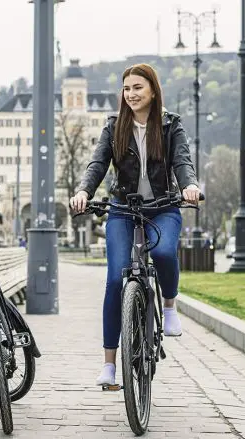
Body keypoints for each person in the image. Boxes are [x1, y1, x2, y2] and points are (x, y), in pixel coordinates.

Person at [69, 63, 201, 387]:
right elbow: (98, 162)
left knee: (166, 253)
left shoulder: (171, 125)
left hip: (162, 207)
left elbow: (182, 161)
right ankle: (110, 365)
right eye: (127, 89)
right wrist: (85, 190)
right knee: (115, 279)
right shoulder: (114, 125)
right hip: (122, 209)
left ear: (153, 90)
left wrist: (190, 185)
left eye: (138, 88)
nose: (131, 94)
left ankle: (169, 305)